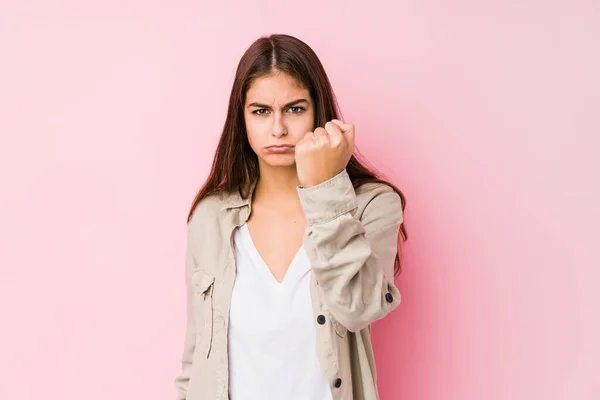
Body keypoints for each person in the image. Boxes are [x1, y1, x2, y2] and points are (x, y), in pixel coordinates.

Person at [174, 33, 408, 400]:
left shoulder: (371, 206)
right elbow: (194, 360)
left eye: (295, 108)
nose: (278, 128)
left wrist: (326, 188)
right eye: (261, 111)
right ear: (242, 118)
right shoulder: (210, 218)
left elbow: (358, 308)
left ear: (319, 111)